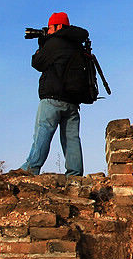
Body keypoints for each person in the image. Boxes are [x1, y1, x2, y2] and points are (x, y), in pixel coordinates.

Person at [21, 12, 90, 176]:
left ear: (58, 26)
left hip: (52, 99)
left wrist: (43, 43)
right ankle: (75, 174)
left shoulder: (54, 43)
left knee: (43, 130)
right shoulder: (77, 45)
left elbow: (37, 63)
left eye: (51, 27)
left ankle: (31, 168)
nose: (49, 30)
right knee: (72, 138)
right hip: (73, 102)